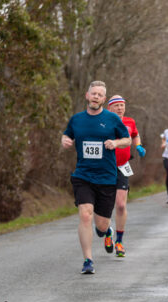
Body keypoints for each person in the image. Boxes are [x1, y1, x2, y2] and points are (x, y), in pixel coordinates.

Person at [61, 81, 131, 274]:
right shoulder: (76, 119)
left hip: (107, 178)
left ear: (104, 99)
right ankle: (88, 260)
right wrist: (65, 140)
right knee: (85, 215)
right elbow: (67, 135)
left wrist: (116, 143)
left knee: (101, 225)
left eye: (100, 95)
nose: (96, 97)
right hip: (83, 175)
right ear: (87, 95)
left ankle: (107, 231)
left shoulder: (112, 119)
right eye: (94, 94)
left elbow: (127, 140)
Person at [107, 95, 146, 257]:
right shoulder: (104, 121)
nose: (120, 108)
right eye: (116, 105)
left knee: (121, 205)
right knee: (104, 204)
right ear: (110, 108)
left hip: (122, 167)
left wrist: (138, 146)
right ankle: (107, 231)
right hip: (105, 167)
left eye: (122, 105)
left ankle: (119, 241)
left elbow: (135, 134)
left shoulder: (130, 122)